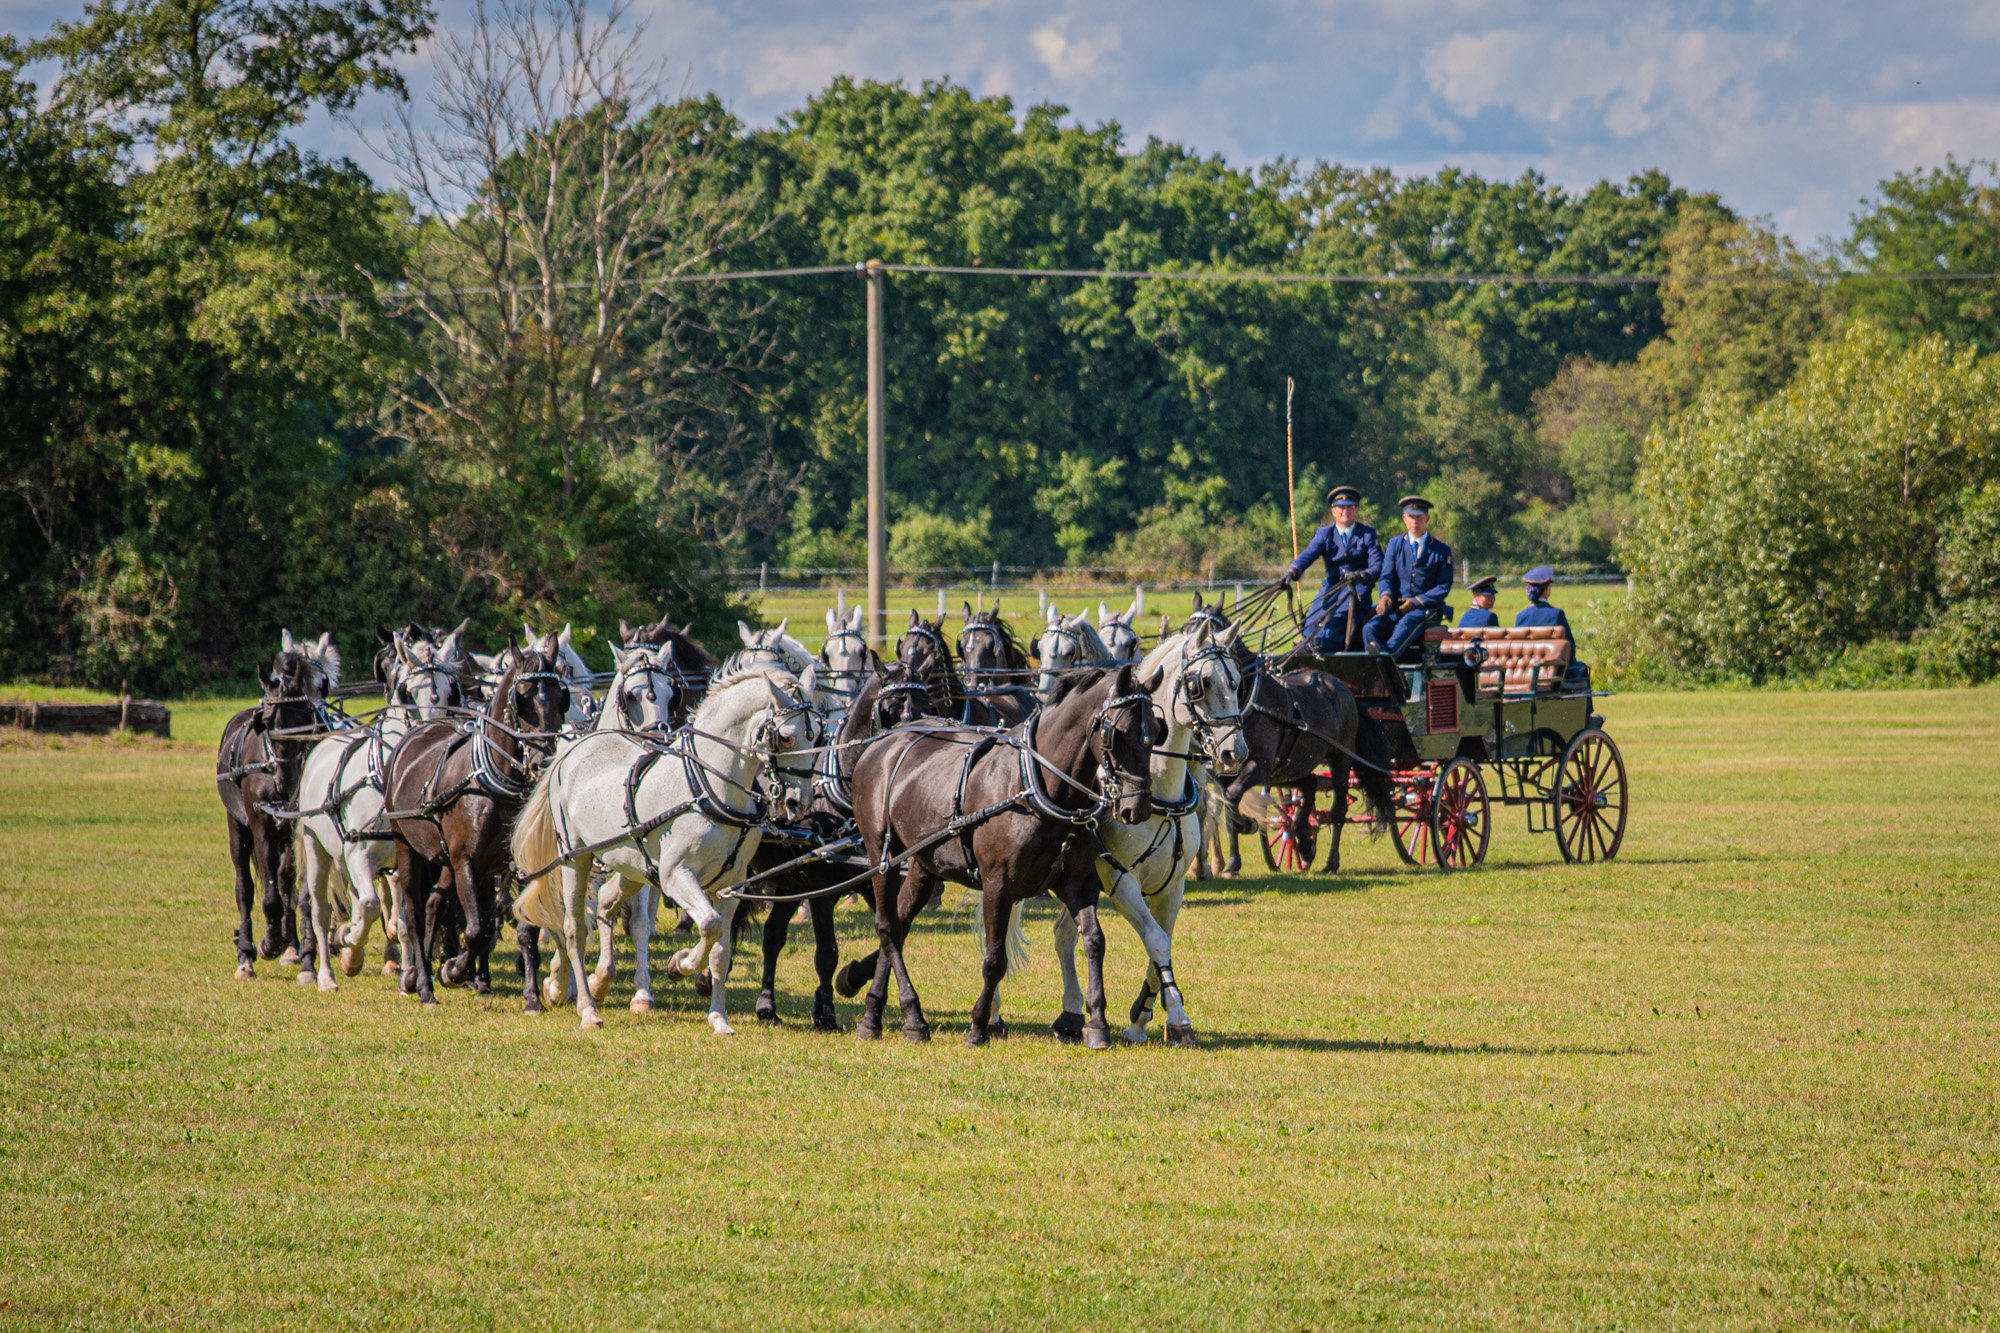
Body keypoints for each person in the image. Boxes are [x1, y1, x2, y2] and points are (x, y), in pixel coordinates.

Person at [1282, 485, 1382, 651]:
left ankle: (1323, 647)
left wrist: (1363, 575)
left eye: (1350, 507)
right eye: (1341, 507)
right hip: (1331, 589)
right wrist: (1293, 571)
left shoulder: (1367, 534)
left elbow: (1378, 565)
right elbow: (1309, 554)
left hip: (1356, 591)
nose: (1345, 511)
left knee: (1337, 617)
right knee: (1313, 618)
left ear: (1356, 510)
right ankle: (1308, 646)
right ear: (1333, 511)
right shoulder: (1324, 534)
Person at [1364, 495, 1455, 659]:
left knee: (1406, 623)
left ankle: (1385, 658)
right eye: (1410, 517)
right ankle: (1376, 662)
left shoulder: (1442, 550)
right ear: (1404, 518)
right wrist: (1385, 596)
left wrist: (1414, 602)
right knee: (1370, 628)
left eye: (1419, 517)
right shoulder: (1395, 544)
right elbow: (1386, 576)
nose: (1414, 522)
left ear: (1427, 518)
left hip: (1424, 609)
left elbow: (1443, 587)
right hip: (1396, 606)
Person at [1516, 565, 1590, 691]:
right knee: (1581, 667)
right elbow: (1569, 645)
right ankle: (1585, 711)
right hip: (1552, 672)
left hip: (1526, 671)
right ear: (1546, 590)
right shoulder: (1556, 614)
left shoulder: (1521, 616)